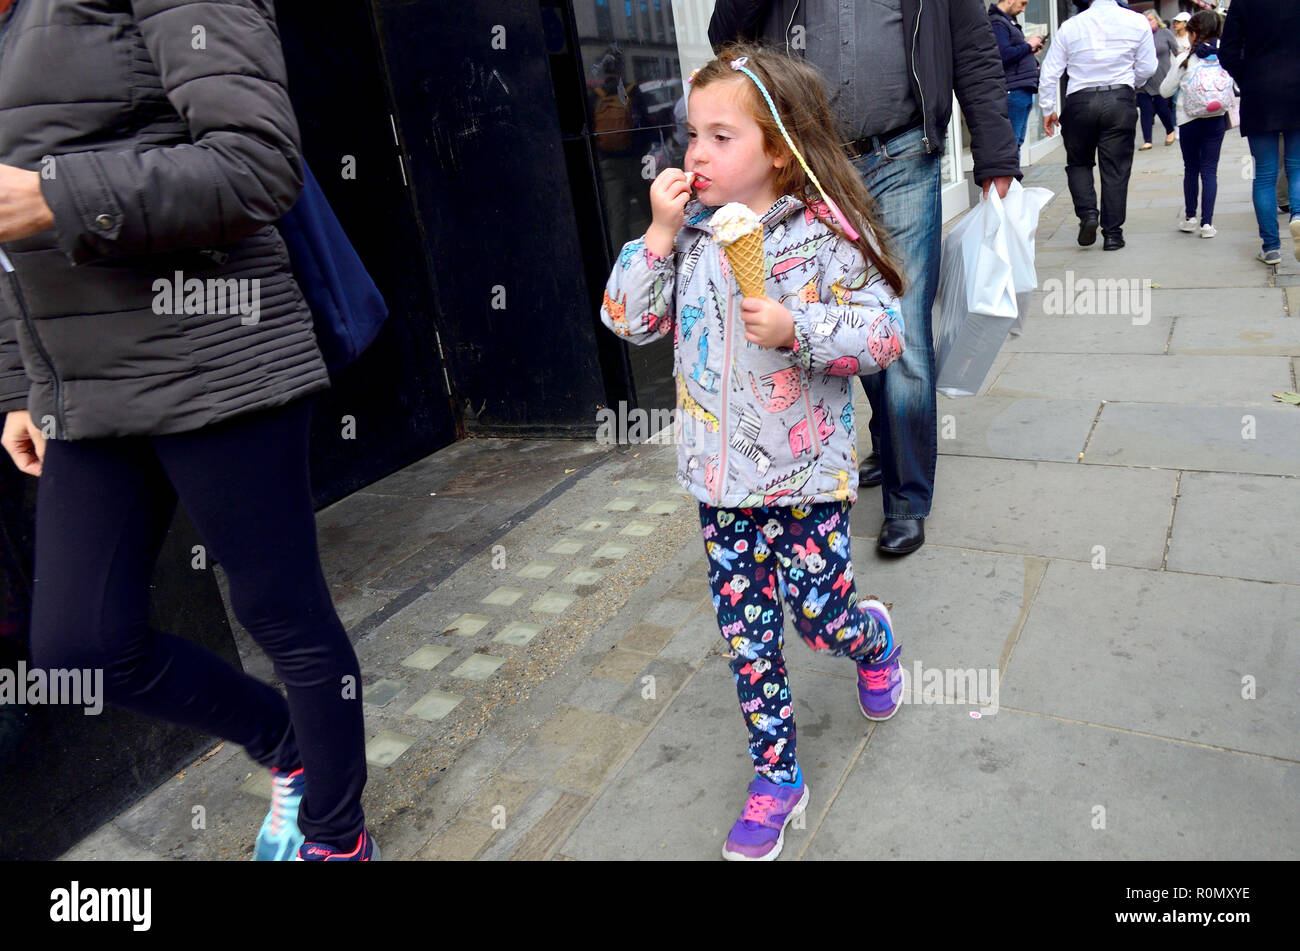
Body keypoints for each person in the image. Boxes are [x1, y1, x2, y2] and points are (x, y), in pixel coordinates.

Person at [0, 0, 376, 860]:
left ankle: (338, 836)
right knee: (79, 643)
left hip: (217, 357)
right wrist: (18, 386)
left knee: (284, 618)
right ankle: (290, 747)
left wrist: (58, 197)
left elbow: (257, 163)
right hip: (85, 388)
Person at [599, 44, 907, 861]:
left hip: (806, 478)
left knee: (819, 617)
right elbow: (627, 322)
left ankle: (869, 638)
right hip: (719, 484)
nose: (694, 153)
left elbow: (885, 331)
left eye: (720, 136)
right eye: (690, 134)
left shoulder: (826, 231)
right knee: (748, 635)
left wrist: (798, 328)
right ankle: (778, 775)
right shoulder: (692, 235)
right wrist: (657, 236)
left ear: (777, 146)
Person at [709, 0, 1022, 557]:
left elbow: (974, 51)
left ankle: (907, 498)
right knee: (834, 324)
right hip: (809, 166)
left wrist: (995, 155)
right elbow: (724, 35)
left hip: (902, 155)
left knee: (900, 331)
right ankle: (888, 444)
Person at [1039, 0, 1157, 251]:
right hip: (1119, 98)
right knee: (1115, 168)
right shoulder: (1137, 21)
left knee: (1079, 162)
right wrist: (1127, 85)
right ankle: (1113, 234)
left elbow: (1050, 72)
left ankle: (1088, 214)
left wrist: (1048, 109)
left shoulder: (1070, 26)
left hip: (1080, 100)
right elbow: (1149, 67)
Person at [1220, 0, 1300, 266]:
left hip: (1260, 92)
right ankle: (1298, 216)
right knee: (1297, 167)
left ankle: (1271, 247)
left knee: (1265, 174)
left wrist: (1250, 78)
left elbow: (1228, 52)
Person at [1161, 10, 1232, 240]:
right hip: (1216, 120)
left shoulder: (1185, 59)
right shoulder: (1224, 56)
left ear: (1193, 34)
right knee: (1210, 170)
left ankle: (1190, 218)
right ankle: (1207, 224)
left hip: (1189, 120)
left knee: (1191, 169)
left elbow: (1165, 90)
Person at [990, 1, 1045, 150]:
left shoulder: (1006, 22)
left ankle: (1013, 173)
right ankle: (1011, 173)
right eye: (1022, 3)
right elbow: (1003, 55)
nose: (1023, 9)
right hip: (1014, 89)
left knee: (1017, 141)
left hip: (1021, 88)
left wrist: (1029, 51)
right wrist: (1028, 46)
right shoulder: (998, 23)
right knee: (1012, 142)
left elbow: (1011, 53)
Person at [1138, 10, 1179, 149]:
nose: (1148, 22)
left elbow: (1176, 51)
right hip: (1144, 79)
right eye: (1145, 20)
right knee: (1146, 110)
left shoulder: (1164, 33)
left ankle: (1170, 130)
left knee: (1162, 108)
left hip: (1162, 77)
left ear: (1157, 20)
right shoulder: (1140, 36)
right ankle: (1147, 140)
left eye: (1150, 19)